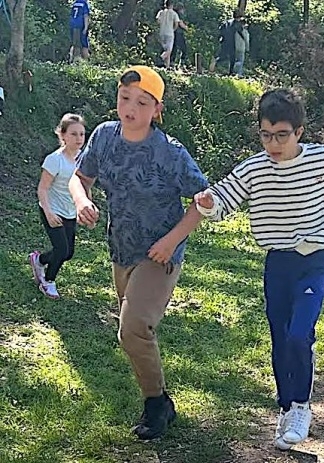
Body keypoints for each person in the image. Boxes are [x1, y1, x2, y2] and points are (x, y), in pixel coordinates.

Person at [194, 89, 324, 450]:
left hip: (314, 262)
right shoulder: (254, 169)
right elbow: (225, 197)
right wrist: (208, 203)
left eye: (282, 135)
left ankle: (300, 406)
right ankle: (284, 407)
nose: (274, 144)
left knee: (300, 334)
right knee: (280, 337)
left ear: (299, 132)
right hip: (277, 263)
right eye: (266, 135)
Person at [69, 66, 209, 439]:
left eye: (142, 103)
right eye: (125, 98)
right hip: (122, 250)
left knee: (132, 328)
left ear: (157, 109)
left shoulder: (170, 152)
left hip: (160, 255)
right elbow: (80, 177)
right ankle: (161, 399)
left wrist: (172, 241)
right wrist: (82, 200)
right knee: (134, 333)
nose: (130, 108)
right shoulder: (104, 136)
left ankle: (155, 405)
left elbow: (203, 201)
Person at [29, 114, 86, 299]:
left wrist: (84, 207)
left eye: (82, 134)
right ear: (63, 135)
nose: (79, 138)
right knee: (61, 250)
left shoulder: (83, 158)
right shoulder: (55, 160)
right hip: (52, 210)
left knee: (68, 253)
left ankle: (39, 260)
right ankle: (48, 282)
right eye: (73, 134)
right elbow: (42, 189)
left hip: (70, 212)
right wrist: (48, 212)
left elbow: (85, 185)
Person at [209, 9, 243, 75]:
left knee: (223, 55)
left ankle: (216, 61)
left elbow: (220, 29)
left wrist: (221, 37)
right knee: (232, 58)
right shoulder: (237, 23)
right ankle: (230, 72)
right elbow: (240, 31)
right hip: (232, 42)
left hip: (224, 41)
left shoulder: (226, 22)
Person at [155, 0, 185, 68]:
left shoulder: (161, 12)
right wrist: (173, 29)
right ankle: (161, 58)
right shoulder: (174, 13)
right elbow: (176, 24)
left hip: (162, 32)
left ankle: (167, 67)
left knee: (165, 49)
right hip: (169, 33)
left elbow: (158, 21)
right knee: (169, 50)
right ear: (171, 5)